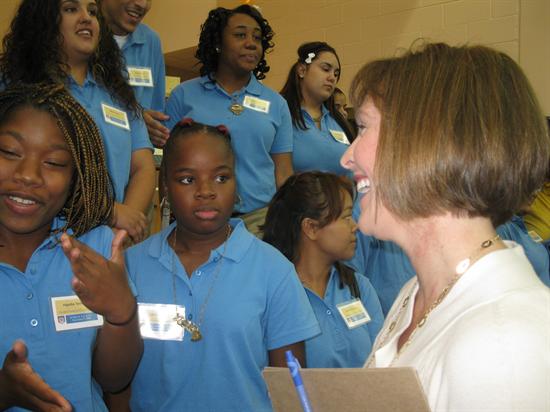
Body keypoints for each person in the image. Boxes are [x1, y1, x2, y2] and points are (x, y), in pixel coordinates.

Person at [340, 43, 550, 410]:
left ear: (428, 141)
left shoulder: (506, 339)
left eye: (363, 127)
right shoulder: (414, 296)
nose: (346, 157)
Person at [122, 119, 319, 411]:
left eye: (220, 178)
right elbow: (116, 383)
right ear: (164, 185)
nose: (206, 191)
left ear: (236, 183)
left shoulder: (273, 270)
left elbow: (291, 385)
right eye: (188, 179)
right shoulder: (132, 265)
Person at [0, 83, 142, 411]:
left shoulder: (95, 248)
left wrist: (121, 313)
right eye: (9, 152)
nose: (28, 175)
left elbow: (113, 379)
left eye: (54, 163)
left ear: (76, 177)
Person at [0, 0, 155, 243]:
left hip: (110, 240)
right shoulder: (16, 86)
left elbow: (143, 167)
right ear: (44, 20)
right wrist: (108, 211)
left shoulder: (118, 94)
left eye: (92, 11)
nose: (86, 18)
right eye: (71, 9)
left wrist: (122, 231)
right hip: (39, 239)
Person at [164, 5, 293, 236]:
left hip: (260, 221)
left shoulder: (276, 104)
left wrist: (287, 221)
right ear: (218, 43)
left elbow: (283, 172)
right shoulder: (183, 96)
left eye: (257, 37)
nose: (251, 43)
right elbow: (168, 163)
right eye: (240, 35)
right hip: (197, 218)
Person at [263, 171, 384, 368]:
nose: (355, 226)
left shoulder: (358, 287)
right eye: (346, 217)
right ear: (310, 227)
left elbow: (382, 363)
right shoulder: (276, 294)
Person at [101, 0, 171, 147]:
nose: (142, 4)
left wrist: (156, 131)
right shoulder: (81, 35)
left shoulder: (151, 41)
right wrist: (136, 120)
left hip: (134, 158)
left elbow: (155, 115)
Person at [280, 42, 354, 176]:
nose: (332, 77)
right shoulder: (282, 114)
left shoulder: (338, 121)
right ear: (302, 70)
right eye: (326, 69)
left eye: (336, 74)